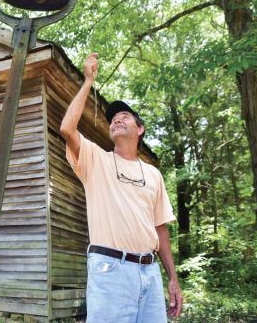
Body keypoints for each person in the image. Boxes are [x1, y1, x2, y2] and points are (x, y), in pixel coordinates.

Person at [60, 53, 183, 322]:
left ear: (140, 129)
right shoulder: (96, 160)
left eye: (124, 116)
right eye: (113, 119)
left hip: (149, 273)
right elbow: (67, 128)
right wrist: (88, 81)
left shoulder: (153, 174)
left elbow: (160, 229)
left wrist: (172, 279)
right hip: (111, 270)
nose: (116, 119)